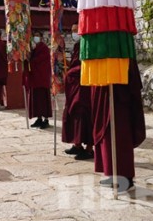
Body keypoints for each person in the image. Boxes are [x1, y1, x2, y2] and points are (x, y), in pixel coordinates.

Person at [90, 59, 146, 193]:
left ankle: (126, 179)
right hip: (104, 93)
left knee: (120, 139)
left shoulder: (123, 51)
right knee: (107, 138)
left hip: (120, 99)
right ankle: (112, 174)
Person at [61, 24, 94, 160]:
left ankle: (89, 148)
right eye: (72, 31)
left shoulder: (89, 45)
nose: (74, 34)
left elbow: (85, 66)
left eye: (76, 31)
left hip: (85, 87)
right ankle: (77, 144)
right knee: (73, 113)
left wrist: (70, 72)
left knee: (84, 115)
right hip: (75, 87)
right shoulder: (77, 46)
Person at [25, 31, 52, 128]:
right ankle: (39, 118)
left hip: (42, 78)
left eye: (37, 35)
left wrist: (30, 60)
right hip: (35, 78)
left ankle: (46, 120)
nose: (35, 37)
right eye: (34, 36)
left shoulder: (44, 48)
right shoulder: (34, 48)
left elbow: (40, 61)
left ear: (41, 37)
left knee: (43, 100)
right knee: (36, 100)